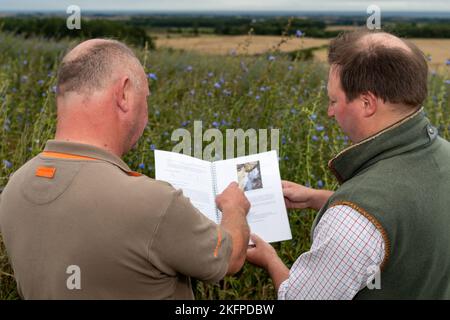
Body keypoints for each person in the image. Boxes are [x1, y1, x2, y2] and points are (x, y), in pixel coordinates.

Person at [0, 39, 250, 299]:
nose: (148, 114)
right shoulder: (153, 203)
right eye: (146, 99)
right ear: (124, 94)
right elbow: (230, 258)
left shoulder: (14, 188)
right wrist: (234, 208)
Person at [247, 30, 450, 299]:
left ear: (367, 103)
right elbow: (412, 211)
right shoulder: (442, 153)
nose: (330, 112)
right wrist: (316, 198)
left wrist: (270, 259)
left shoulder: (352, 218)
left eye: (334, 100)